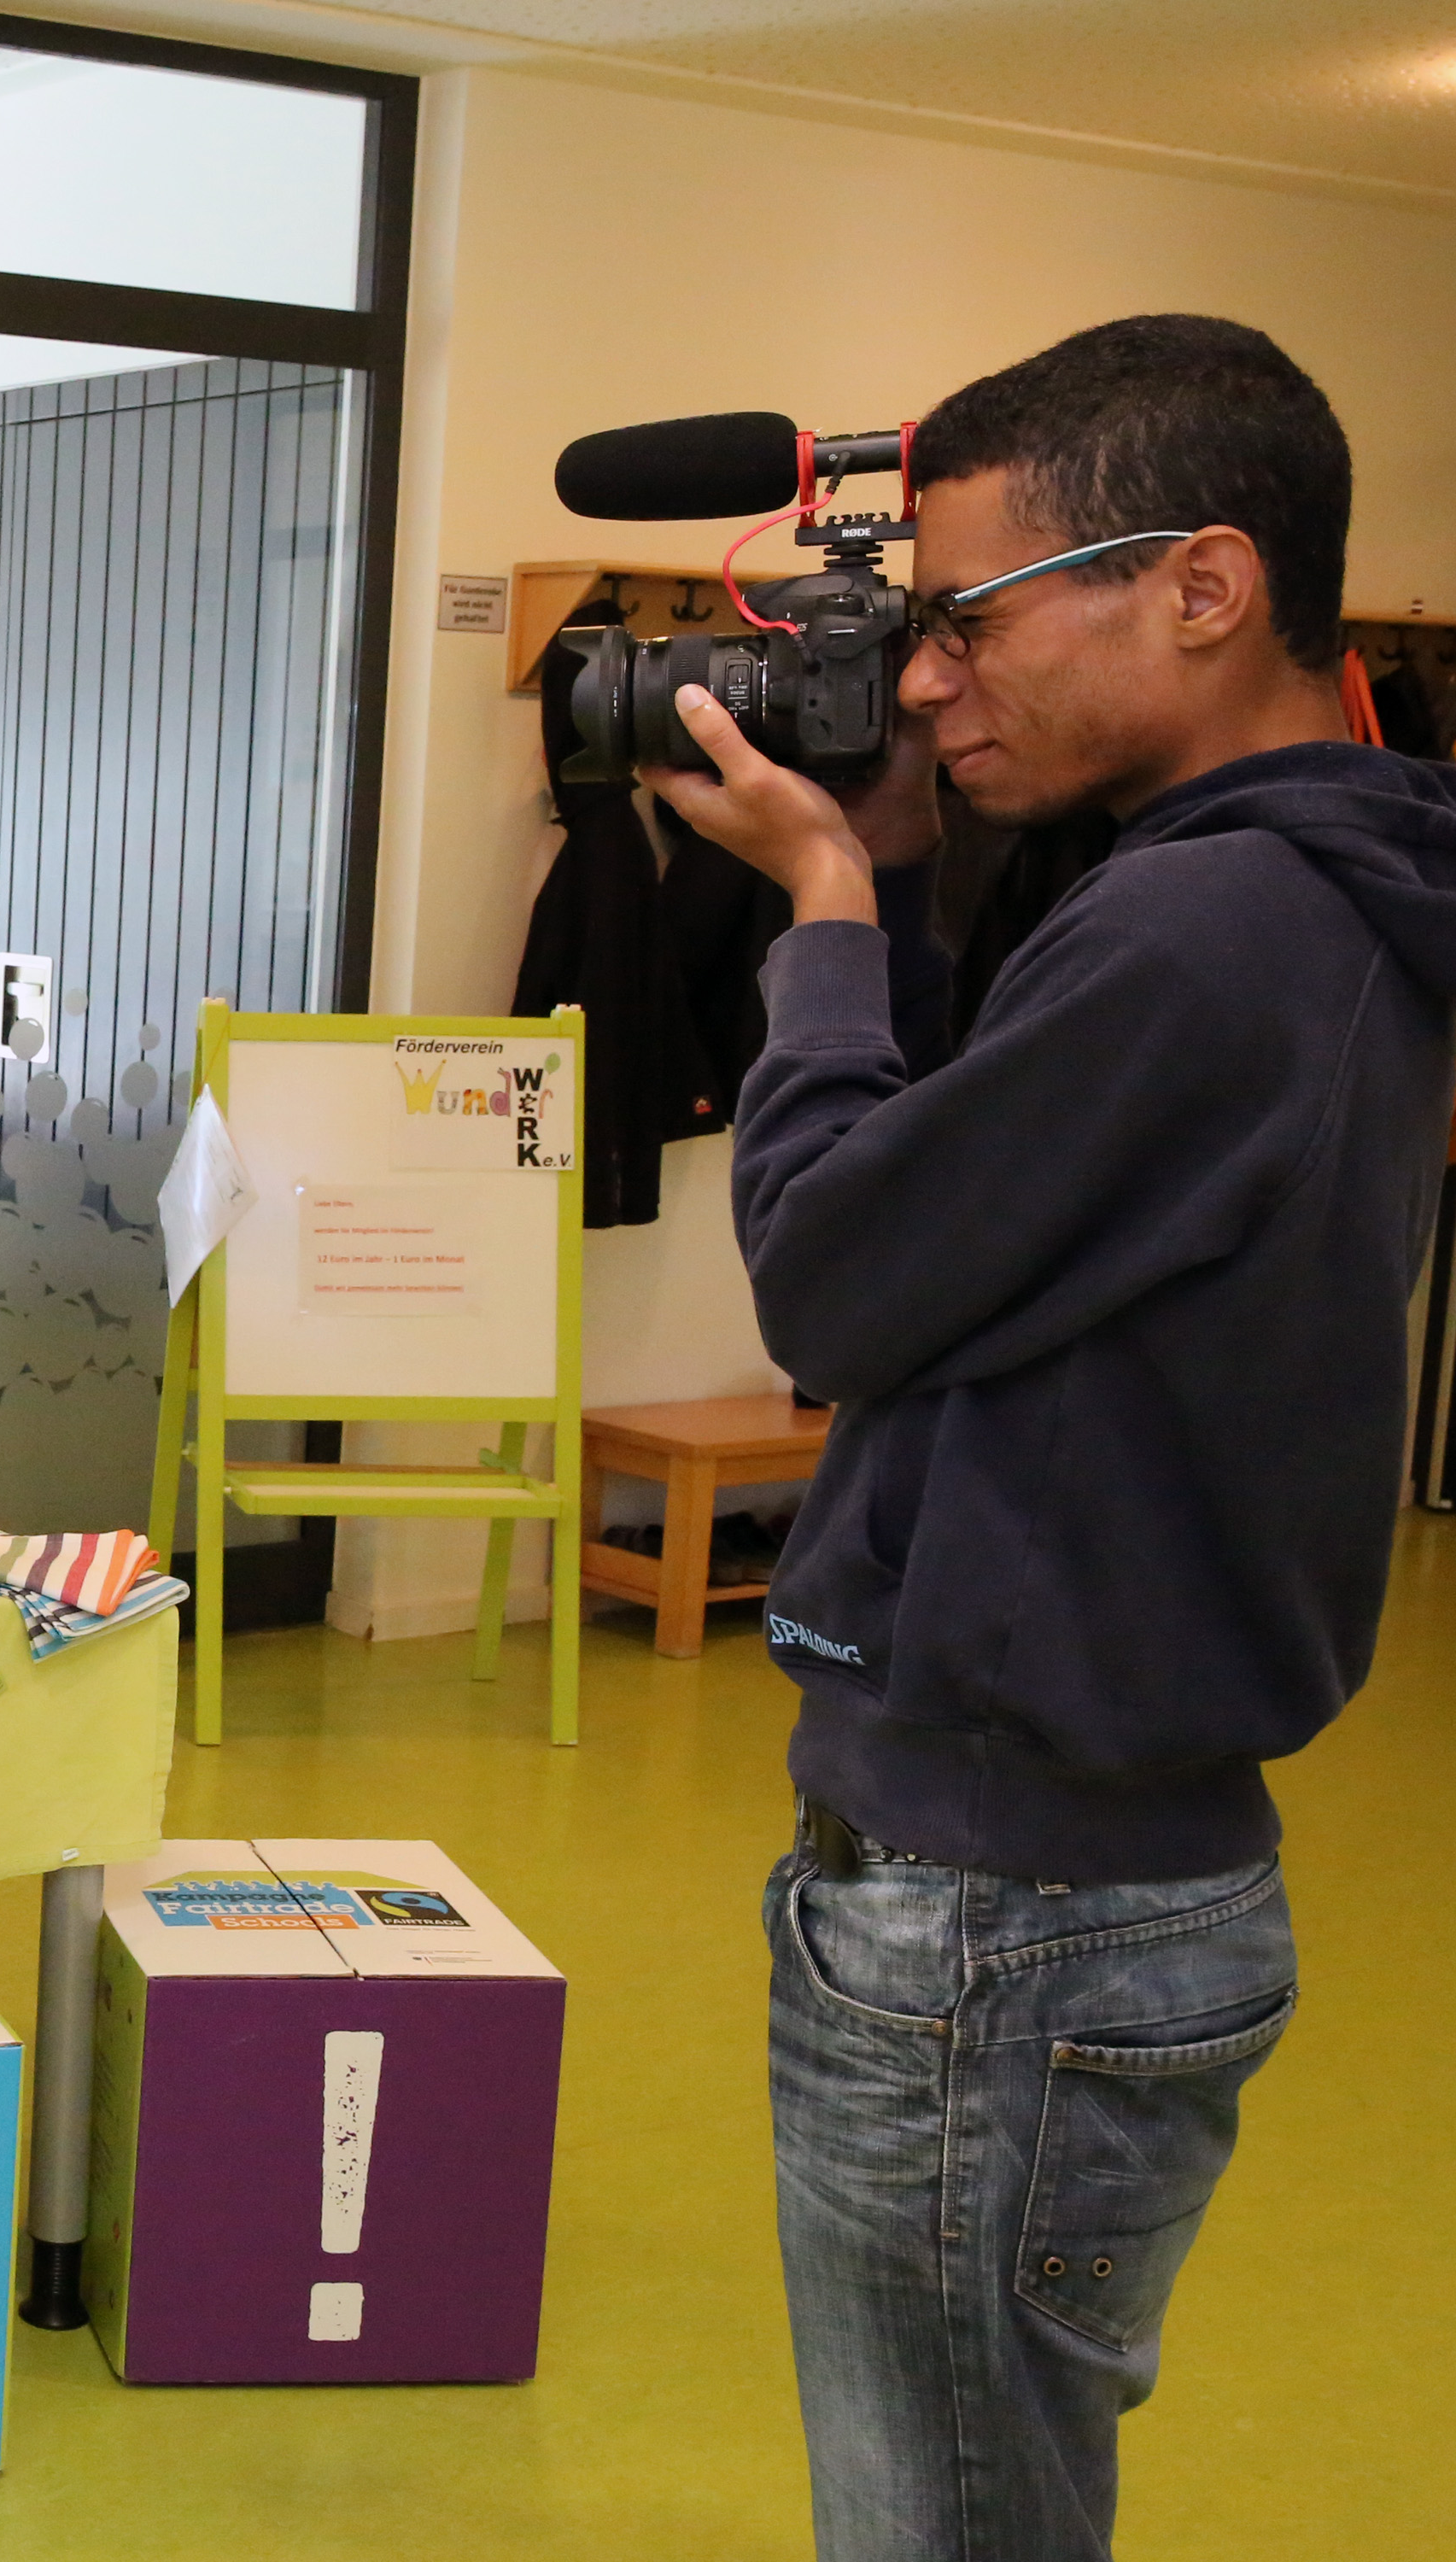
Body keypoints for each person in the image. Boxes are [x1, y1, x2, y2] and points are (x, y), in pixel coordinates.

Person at [650, 315, 1456, 2560]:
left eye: (978, 618)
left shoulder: (1203, 932)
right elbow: (975, 1238)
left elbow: (836, 1282)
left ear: (1198, 588)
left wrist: (819, 904)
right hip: (1102, 1872)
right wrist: (901, 887)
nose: (920, 682)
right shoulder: (1283, 898)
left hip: (1002, 1926)